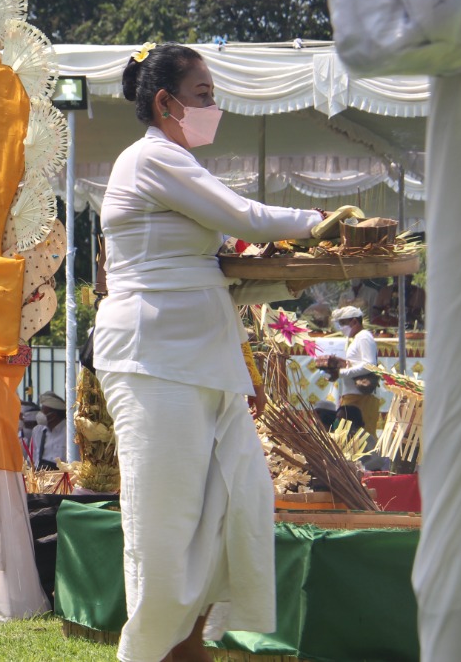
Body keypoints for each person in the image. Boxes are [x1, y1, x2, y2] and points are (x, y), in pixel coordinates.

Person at [94, 43, 325, 662]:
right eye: (202, 95)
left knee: (232, 503)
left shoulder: (170, 163)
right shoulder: (149, 160)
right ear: (164, 102)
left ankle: (188, 647)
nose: (212, 107)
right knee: (165, 526)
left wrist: (289, 281)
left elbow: (211, 268)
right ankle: (147, 653)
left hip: (204, 358)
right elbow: (244, 217)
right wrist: (317, 223)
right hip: (151, 359)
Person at [319, 305, 381, 436]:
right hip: (353, 396)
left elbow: (369, 365)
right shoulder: (357, 338)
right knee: (347, 438)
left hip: (362, 397)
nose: (341, 327)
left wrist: (341, 373)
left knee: (362, 438)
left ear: (354, 322)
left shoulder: (364, 337)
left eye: (343, 323)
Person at [29, 391, 70, 470]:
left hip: (61, 477)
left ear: (53, 415)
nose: (40, 414)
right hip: (40, 477)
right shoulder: (38, 431)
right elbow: (31, 458)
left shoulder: (68, 432)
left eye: (44, 412)